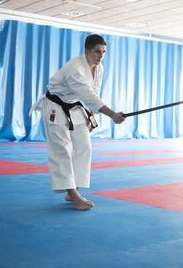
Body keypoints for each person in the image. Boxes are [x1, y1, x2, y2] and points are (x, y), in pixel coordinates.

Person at [30, 34, 125, 210]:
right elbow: (87, 95)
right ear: (87, 50)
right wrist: (112, 114)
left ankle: (74, 188)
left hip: (75, 107)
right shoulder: (75, 67)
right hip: (55, 106)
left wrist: (91, 115)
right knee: (62, 149)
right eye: (97, 51)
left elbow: (93, 93)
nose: (101, 55)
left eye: (104, 52)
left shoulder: (99, 67)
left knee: (84, 146)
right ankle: (73, 195)